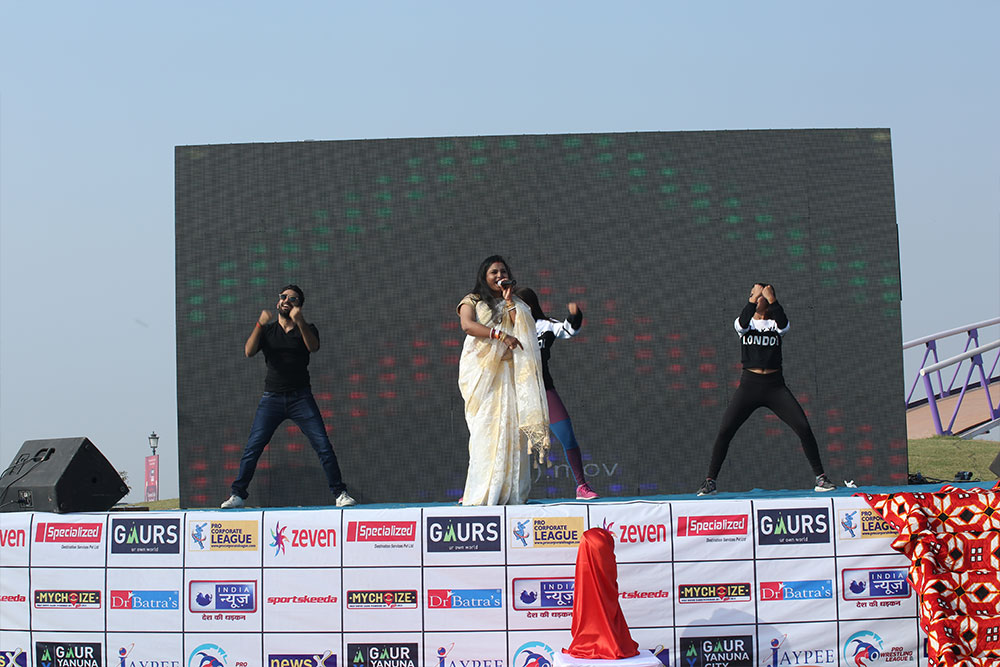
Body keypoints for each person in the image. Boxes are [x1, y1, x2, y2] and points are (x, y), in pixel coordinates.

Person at [221, 284, 355, 509]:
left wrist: (300, 321)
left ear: (299, 305)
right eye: (283, 297)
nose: (286, 300)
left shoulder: (307, 328)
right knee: (253, 447)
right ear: (278, 301)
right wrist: (259, 324)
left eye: (292, 299)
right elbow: (249, 351)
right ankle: (237, 494)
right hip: (272, 398)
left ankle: (340, 493)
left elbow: (313, 347)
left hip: (300, 398)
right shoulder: (268, 331)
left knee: (323, 445)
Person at [697, 283, 835, 496]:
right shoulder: (744, 324)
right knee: (725, 430)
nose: (759, 297)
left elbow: (784, 324)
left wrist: (772, 299)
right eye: (756, 295)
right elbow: (742, 321)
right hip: (749, 386)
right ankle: (710, 481)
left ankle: (821, 478)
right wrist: (754, 297)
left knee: (803, 427)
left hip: (775, 387)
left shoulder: (776, 324)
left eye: (763, 295)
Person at [457, 256, 550, 506]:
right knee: (485, 432)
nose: (500, 276)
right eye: (494, 272)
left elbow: (524, 331)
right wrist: (500, 335)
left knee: (512, 433)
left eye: (503, 271)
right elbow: (467, 326)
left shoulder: (515, 303)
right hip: (484, 376)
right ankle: (482, 493)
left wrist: (509, 302)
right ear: (484, 276)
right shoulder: (472, 300)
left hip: (510, 375)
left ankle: (512, 494)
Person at [515, 287, 599, 500]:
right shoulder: (506, 328)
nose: (516, 309)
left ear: (531, 305)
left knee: (567, 436)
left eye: (520, 304)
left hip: (543, 389)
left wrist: (574, 315)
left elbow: (568, 330)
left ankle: (582, 486)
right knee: (500, 440)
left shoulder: (545, 325)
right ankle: (481, 490)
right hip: (514, 394)